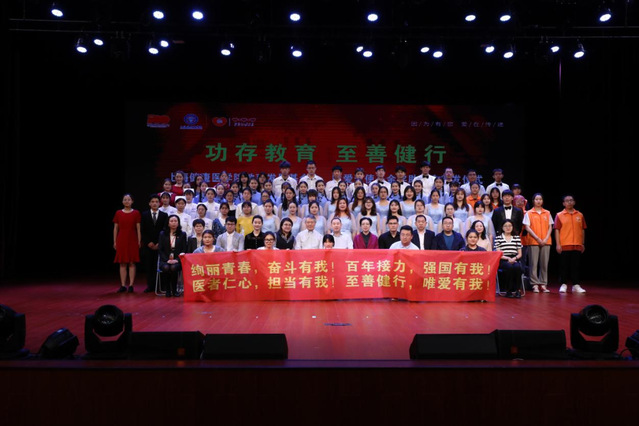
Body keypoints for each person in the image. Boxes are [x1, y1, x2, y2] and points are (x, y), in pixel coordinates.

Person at [554, 195, 587, 294]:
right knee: (564, 266)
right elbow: (557, 230)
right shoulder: (559, 215)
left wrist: (582, 243)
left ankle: (576, 285)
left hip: (577, 244)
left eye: (571, 200)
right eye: (567, 201)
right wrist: (558, 244)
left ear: (574, 202)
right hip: (565, 244)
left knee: (575, 266)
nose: (569, 202)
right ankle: (563, 284)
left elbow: (582, 229)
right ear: (563, 203)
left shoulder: (580, 215)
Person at [523, 193, 553, 293]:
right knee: (533, 264)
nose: (538, 201)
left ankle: (543, 284)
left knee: (544, 264)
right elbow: (527, 227)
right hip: (533, 241)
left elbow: (550, 227)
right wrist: (537, 238)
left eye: (540, 199)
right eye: (536, 199)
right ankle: (534, 284)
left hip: (546, 241)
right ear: (533, 201)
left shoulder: (547, 213)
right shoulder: (529, 213)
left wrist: (545, 239)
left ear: (542, 201)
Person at [113, 193, 141, 293]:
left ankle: (131, 285)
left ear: (132, 201)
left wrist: (139, 240)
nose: (127, 201)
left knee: (132, 262)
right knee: (122, 262)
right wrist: (115, 241)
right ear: (122, 201)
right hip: (121, 239)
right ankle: (123, 285)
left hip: (132, 239)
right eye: (125, 199)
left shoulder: (136, 213)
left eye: (129, 199)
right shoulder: (118, 213)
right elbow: (116, 228)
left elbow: (138, 228)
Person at [140, 194, 168, 293]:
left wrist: (159, 243)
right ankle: (150, 286)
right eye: (152, 202)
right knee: (149, 266)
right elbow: (142, 230)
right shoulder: (144, 215)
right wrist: (148, 242)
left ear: (159, 203)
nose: (154, 203)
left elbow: (165, 230)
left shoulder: (164, 215)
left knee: (161, 265)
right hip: (148, 245)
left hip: (160, 245)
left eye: (156, 202)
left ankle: (161, 285)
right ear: (149, 203)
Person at [158, 214, 188, 297]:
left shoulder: (182, 234)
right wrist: (167, 260)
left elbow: (184, 249)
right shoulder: (162, 234)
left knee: (173, 267)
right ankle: (168, 290)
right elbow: (160, 249)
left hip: (178, 259)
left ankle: (174, 290)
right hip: (165, 259)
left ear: (178, 223)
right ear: (168, 223)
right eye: (171, 221)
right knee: (166, 267)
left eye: (175, 221)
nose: (173, 223)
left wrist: (177, 260)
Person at [494, 219, 524, 298]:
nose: (508, 228)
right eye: (506, 226)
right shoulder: (498, 238)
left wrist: (514, 258)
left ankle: (517, 290)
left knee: (517, 267)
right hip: (503, 259)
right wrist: (508, 259)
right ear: (502, 227)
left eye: (510, 226)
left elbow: (520, 254)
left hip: (515, 258)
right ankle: (509, 290)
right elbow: (498, 253)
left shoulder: (516, 238)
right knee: (509, 267)